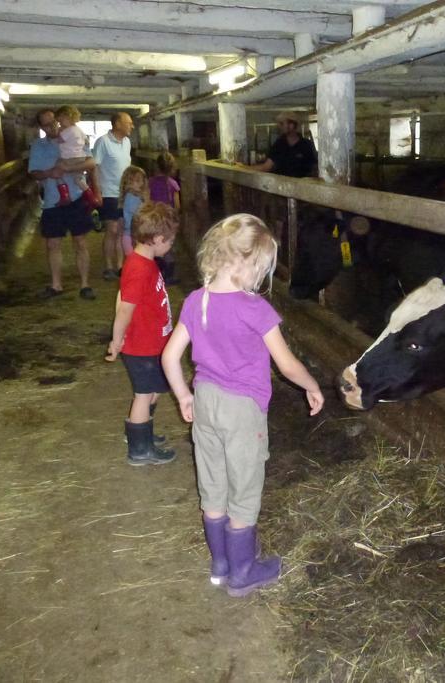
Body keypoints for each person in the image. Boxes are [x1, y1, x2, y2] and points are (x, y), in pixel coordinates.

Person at [162, 213, 324, 597]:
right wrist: (311, 384)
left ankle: (220, 565)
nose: (261, 278)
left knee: (213, 488)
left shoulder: (195, 301)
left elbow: (169, 357)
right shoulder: (256, 309)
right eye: (263, 269)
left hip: (205, 402)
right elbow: (286, 364)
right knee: (245, 490)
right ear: (248, 262)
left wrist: (184, 396)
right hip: (242, 410)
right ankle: (243, 571)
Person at [105, 202, 179, 466]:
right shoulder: (139, 268)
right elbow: (125, 308)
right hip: (142, 347)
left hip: (153, 344)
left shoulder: (143, 262)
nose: (170, 245)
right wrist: (117, 340)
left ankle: (142, 431)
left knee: (154, 390)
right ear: (157, 239)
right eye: (169, 241)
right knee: (143, 395)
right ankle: (139, 449)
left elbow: (120, 294)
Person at [28, 108, 98, 300]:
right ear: (41, 127)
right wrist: (50, 173)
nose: (52, 126)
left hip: (76, 197)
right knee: (52, 243)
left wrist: (69, 167)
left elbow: (91, 162)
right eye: (47, 124)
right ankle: (56, 284)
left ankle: (85, 284)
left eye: (54, 121)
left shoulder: (74, 136)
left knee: (81, 241)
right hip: (51, 200)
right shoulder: (38, 146)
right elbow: (33, 172)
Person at [93, 111, 135, 281]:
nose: (131, 125)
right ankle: (109, 266)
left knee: (122, 229)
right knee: (112, 229)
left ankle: (120, 266)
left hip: (125, 193)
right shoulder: (103, 142)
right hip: (109, 192)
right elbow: (94, 167)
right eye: (129, 122)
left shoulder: (127, 142)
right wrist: (97, 191)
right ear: (117, 124)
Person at [54, 105, 101, 208]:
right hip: (80, 157)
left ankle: (64, 196)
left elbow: (59, 140)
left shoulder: (67, 130)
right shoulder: (78, 129)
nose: (60, 124)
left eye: (60, 121)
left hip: (69, 158)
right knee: (78, 179)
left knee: (58, 171)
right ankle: (90, 196)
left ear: (67, 117)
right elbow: (86, 141)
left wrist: (59, 131)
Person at [249, 111, 318, 178]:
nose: (279, 127)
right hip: (283, 185)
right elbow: (266, 167)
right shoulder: (279, 145)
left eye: (282, 124)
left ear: (292, 125)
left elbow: (315, 168)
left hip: (302, 186)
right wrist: (244, 168)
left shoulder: (306, 145)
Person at [148, 152, 181, 285]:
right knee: (168, 246)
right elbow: (177, 205)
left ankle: (157, 275)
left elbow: (147, 200)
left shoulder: (150, 182)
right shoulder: (173, 184)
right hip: (168, 220)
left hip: (155, 219)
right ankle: (168, 277)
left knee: (155, 244)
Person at [119, 165, 149, 259]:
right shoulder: (131, 198)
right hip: (132, 236)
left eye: (142, 180)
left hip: (133, 235)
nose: (141, 184)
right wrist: (146, 200)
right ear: (128, 183)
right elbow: (140, 214)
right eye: (137, 181)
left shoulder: (135, 197)